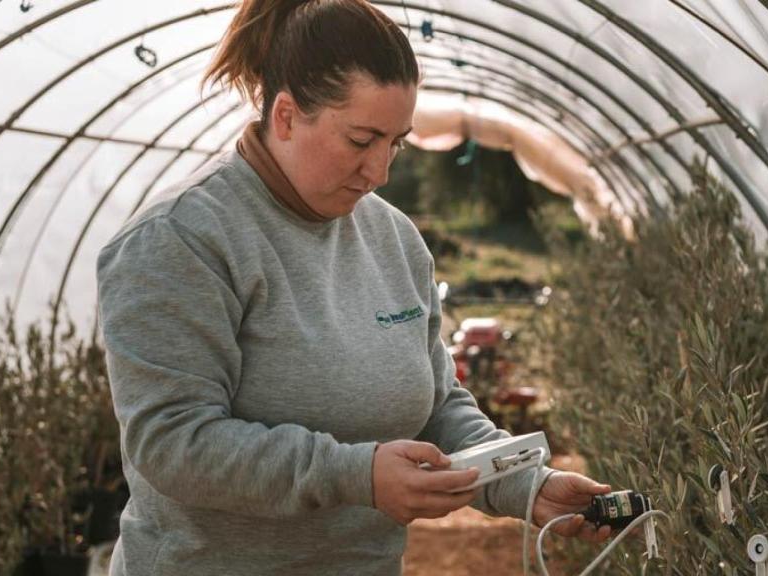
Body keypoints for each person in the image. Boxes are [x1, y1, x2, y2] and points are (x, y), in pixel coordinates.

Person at [96, 1, 616, 574]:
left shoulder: (393, 239)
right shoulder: (182, 239)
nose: (380, 171)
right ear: (287, 116)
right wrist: (355, 475)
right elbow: (171, 442)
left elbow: (437, 407)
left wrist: (525, 484)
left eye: (396, 142)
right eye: (362, 139)